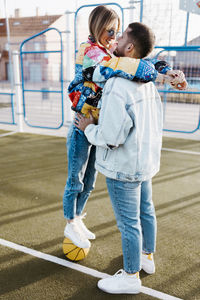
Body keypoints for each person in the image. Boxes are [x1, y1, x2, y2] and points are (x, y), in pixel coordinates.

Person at [63, 5, 186, 249]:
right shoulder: (91, 53)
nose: (114, 37)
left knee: (89, 179)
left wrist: (168, 71)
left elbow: (143, 59)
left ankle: (77, 218)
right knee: (75, 179)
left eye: (117, 32)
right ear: (97, 28)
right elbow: (132, 67)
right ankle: (70, 221)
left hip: (96, 125)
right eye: (110, 31)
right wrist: (161, 76)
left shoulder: (110, 53)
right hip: (82, 124)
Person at [74, 22, 175, 294]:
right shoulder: (148, 80)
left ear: (129, 47)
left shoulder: (119, 82)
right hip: (145, 162)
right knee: (146, 211)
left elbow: (111, 136)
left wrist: (88, 128)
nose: (114, 41)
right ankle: (147, 257)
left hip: (124, 167)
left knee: (129, 224)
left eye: (120, 37)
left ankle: (130, 277)